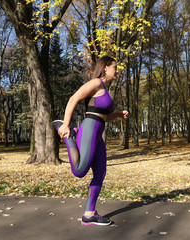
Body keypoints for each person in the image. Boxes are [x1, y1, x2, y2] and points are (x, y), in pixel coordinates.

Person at [52, 56, 129, 226]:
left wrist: (117, 114)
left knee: (100, 173)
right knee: (79, 171)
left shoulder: (105, 89)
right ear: (105, 67)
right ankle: (69, 136)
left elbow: (103, 116)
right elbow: (74, 99)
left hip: (98, 132)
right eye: (114, 67)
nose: (117, 71)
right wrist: (65, 124)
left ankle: (89, 213)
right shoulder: (96, 83)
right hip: (89, 129)